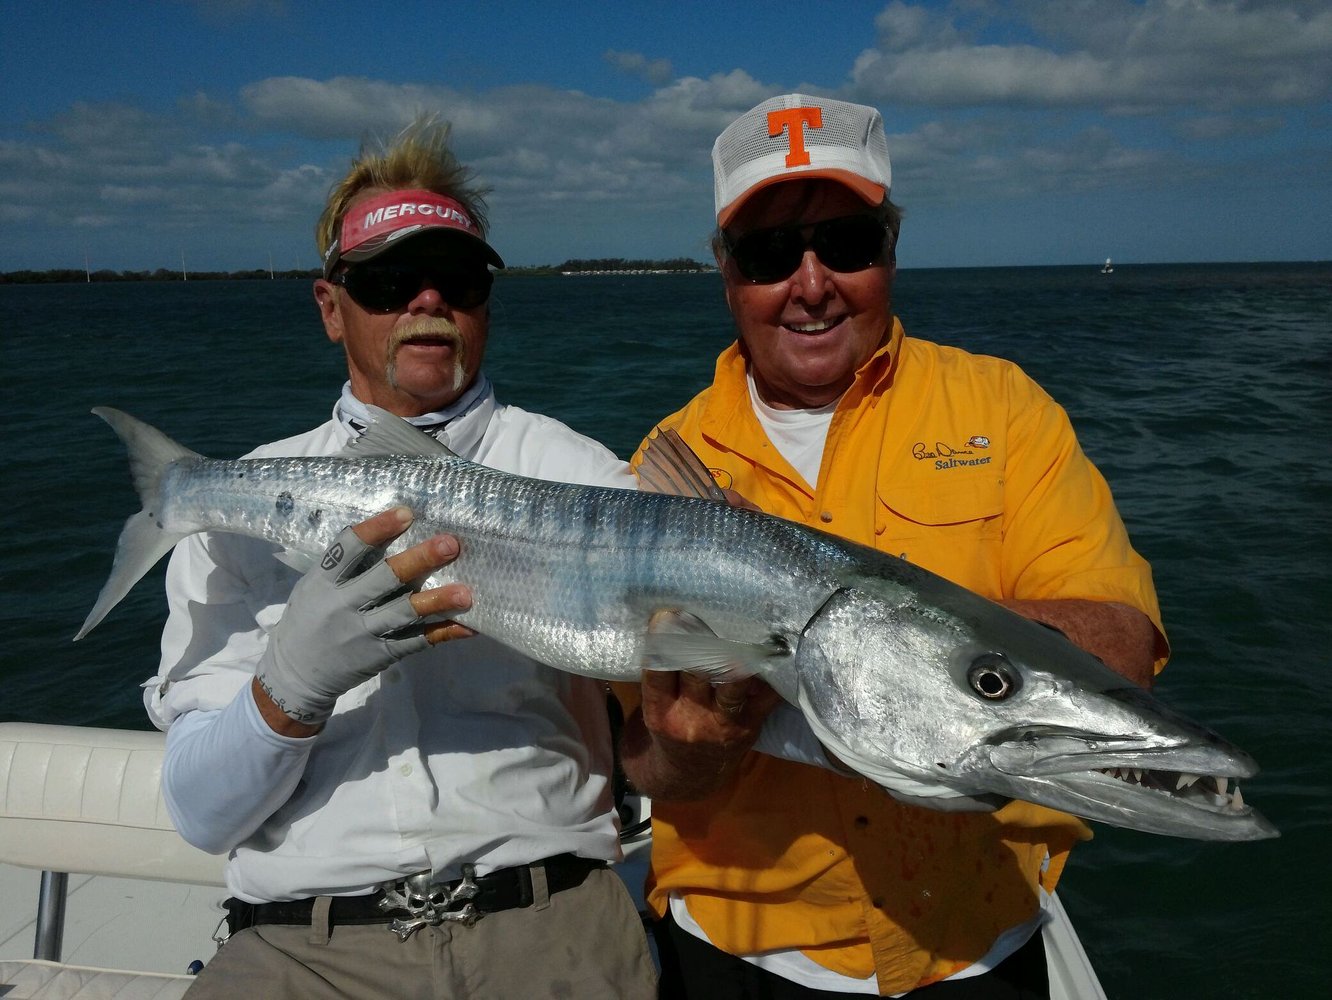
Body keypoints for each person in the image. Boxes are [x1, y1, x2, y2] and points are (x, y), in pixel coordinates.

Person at [617, 94, 1169, 998]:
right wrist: (697, 746)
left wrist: (913, 657)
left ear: (889, 254)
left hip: (977, 943)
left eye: (845, 243)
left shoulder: (1003, 409)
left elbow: (1123, 648)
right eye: (767, 256)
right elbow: (643, 759)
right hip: (743, 953)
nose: (810, 283)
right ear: (727, 277)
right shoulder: (668, 463)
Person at [144, 115, 657, 999]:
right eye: (386, 281)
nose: (427, 301)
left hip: (549, 926)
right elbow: (200, 813)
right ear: (330, 308)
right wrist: (288, 690)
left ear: (485, 301)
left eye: (454, 278)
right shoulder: (237, 503)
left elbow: (664, 729)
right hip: (301, 950)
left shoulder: (588, 479)